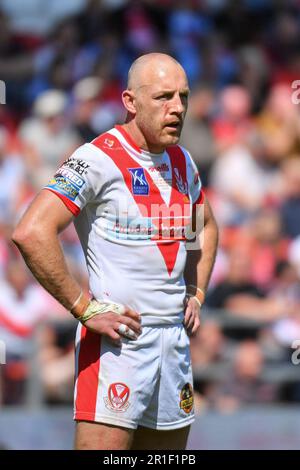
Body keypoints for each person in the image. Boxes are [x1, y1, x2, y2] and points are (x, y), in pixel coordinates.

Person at [12, 53, 218, 450]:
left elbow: (204, 225)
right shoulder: (96, 158)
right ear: (129, 101)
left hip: (173, 343)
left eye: (183, 97)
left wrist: (197, 290)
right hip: (118, 345)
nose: (177, 108)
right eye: (162, 97)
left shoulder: (182, 160)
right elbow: (31, 232)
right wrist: (83, 308)